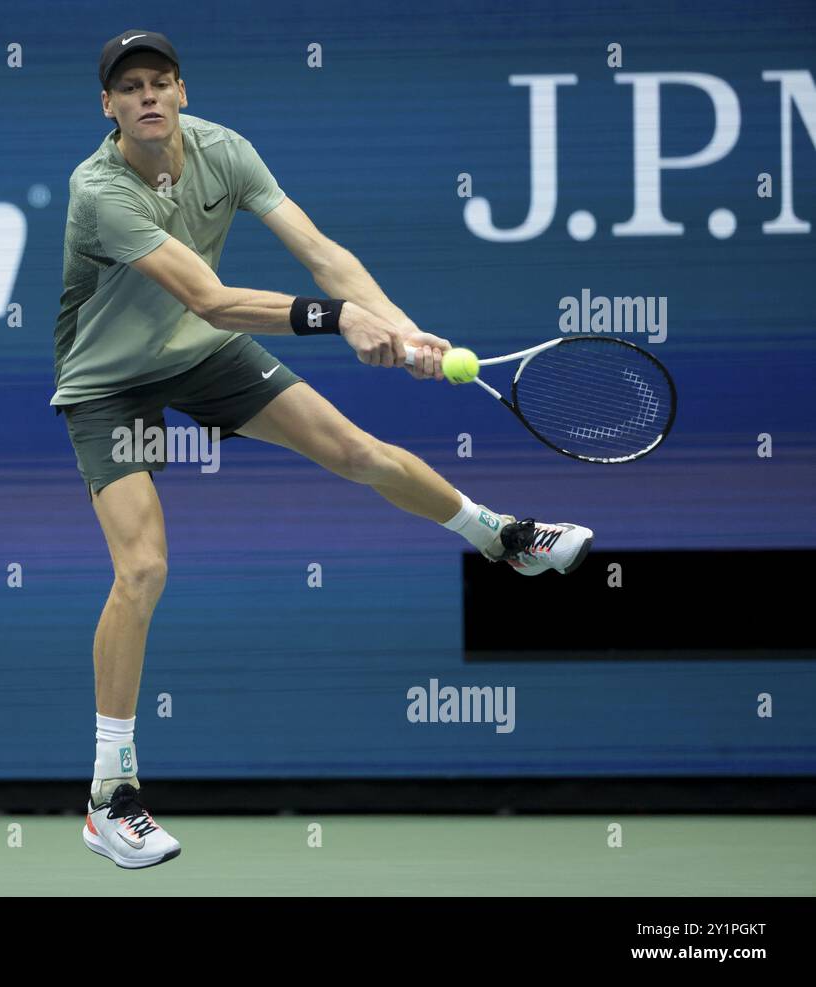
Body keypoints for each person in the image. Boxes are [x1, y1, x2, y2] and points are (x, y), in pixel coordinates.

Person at [52, 30, 593, 869]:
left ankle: (504, 540)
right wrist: (339, 319)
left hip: (200, 352)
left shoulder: (225, 152)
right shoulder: (100, 191)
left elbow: (321, 251)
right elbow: (213, 296)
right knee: (144, 568)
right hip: (108, 380)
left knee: (357, 449)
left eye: (161, 81)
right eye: (131, 88)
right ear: (109, 108)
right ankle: (109, 796)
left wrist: (402, 328)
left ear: (183, 92)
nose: (148, 96)